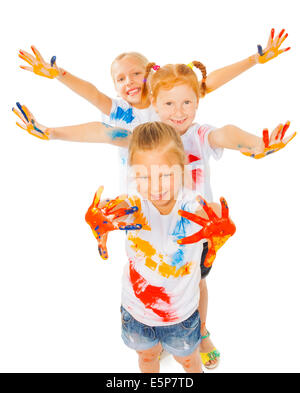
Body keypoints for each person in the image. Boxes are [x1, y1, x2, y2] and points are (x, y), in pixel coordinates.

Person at [85, 122, 236, 373]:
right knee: (146, 359)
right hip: (136, 315)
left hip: (183, 318)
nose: (155, 187)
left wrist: (221, 225)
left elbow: (213, 212)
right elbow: (117, 211)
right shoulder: (134, 207)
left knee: (189, 361)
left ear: (183, 170)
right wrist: (101, 218)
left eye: (165, 174)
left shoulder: (192, 209)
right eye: (144, 176)